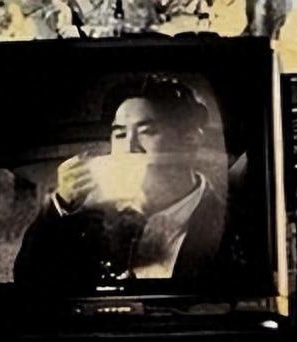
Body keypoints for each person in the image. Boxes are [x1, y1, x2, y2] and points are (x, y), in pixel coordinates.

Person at [13, 75, 233, 288]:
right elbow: (30, 281)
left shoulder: (230, 223)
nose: (129, 148)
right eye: (120, 135)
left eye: (147, 132)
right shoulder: (88, 219)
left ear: (189, 140)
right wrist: (61, 204)